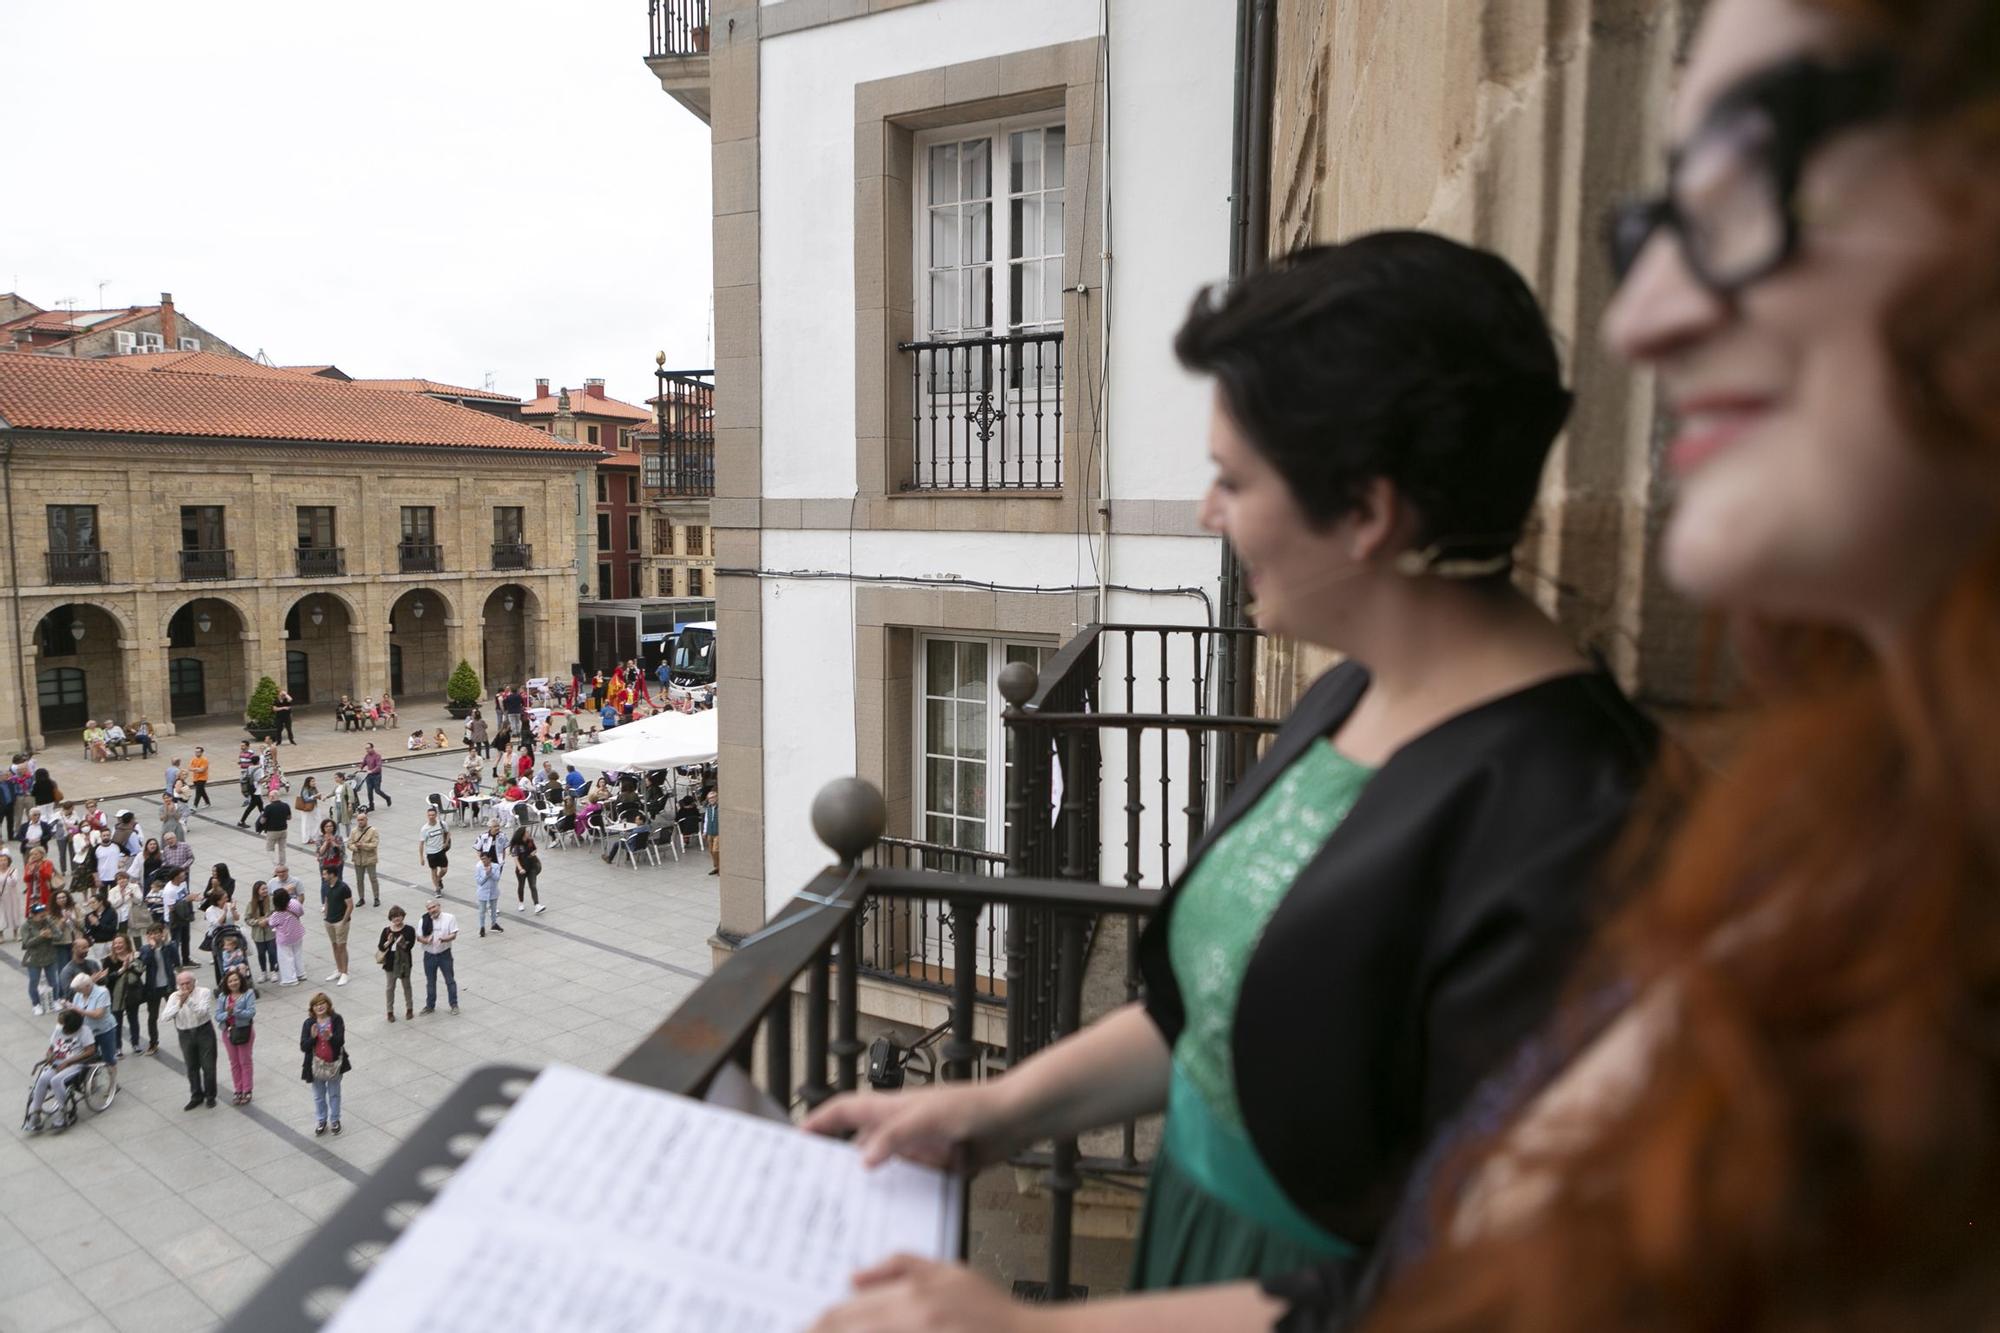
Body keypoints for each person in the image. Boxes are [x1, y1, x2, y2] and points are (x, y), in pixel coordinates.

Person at [806, 233, 1660, 1324]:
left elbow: (1480, 1288)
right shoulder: (1350, 692)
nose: (1209, 513)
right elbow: (1205, 1016)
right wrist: (999, 1108)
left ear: (1366, 511)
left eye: (1231, 479)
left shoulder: (1576, 825)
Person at [24, 1010, 93, 1132]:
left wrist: (68, 1062)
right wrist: (49, 1055)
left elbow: (90, 1050)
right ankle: (35, 1114)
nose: (59, 1024)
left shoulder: (84, 1031)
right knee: (43, 1078)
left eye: (62, 1022)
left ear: (69, 1025)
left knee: (56, 1080)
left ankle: (62, 1114)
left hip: (75, 1064)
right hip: (57, 1063)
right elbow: (51, 1048)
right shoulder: (58, 1030)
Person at [162, 969, 216, 1109]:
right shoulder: (174, 997)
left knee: (208, 1066)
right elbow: (165, 1017)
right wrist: (179, 1004)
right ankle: (196, 1095)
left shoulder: (204, 992)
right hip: (185, 1033)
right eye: (182, 984)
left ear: (194, 982)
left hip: (203, 1030)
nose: (185, 987)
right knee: (191, 1066)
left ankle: (210, 1095)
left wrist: (189, 1001)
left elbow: (202, 1012)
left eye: (188, 983)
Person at [300, 992, 349, 1135]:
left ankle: (335, 1120)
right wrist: (313, 1038)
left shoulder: (336, 1019)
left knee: (334, 1094)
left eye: (322, 1003)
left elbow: (340, 1042)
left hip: (334, 1064)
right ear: (312, 1008)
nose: (320, 1007)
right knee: (318, 1096)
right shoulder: (309, 1023)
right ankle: (321, 1120)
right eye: (316, 1005)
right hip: (315, 1066)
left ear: (328, 1005)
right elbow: (304, 1046)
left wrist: (330, 1037)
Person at [215, 968, 257, 1105]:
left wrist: (235, 1011)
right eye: (230, 981)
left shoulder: (248, 994)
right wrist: (227, 1014)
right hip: (228, 1032)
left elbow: (251, 1013)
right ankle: (238, 1089)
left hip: (244, 1031)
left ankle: (247, 1089)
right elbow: (217, 1016)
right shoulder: (223, 997)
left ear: (240, 981)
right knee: (234, 1062)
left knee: (245, 1060)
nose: (233, 983)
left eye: (236, 980)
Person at [135, 924, 176, 1054]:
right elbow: (143, 964)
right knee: (152, 1016)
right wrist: (152, 948)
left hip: (168, 985)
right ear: (147, 936)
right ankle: (153, 1043)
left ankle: (186, 1035)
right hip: (153, 987)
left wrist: (167, 943)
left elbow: (177, 960)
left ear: (162, 933)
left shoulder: (169, 946)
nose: (154, 936)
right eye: (151, 933)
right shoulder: (145, 949)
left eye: (157, 933)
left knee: (177, 1012)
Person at [417, 899, 459, 1015]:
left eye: (433, 907)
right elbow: (419, 937)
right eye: (429, 908)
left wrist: (444, 939)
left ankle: (454, 1004)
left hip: (444, 954)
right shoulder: (424, 920)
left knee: (450, 980)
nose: (432, 910)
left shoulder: (449, 918)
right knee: (430, 982)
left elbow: (454, 934)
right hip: (429, 955)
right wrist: (425, 940)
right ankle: (430, 1006)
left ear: (439, 906)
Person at [21, 904, 62, 1014]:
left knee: (53, 980)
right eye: (40, 915)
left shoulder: (48, 922)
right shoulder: (26, 926)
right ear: (33, 915)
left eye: (44, 913)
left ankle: (55, 1000)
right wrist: (41, 936)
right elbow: (27, 943)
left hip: (49, 955)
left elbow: (59, 935)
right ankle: (36, 1004)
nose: (43, 916)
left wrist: (51, 936)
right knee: (34, 981)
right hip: (34, 958)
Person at [378, 906, 417, 1022]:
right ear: (391, 918)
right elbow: (381, 946)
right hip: (390, 962)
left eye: (399, 916)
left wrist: (402, 942)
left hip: (404, 962)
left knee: (406, 986)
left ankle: (409, 1009)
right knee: (390, 987)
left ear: (403, 916)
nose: (397, 919)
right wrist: (388, 942)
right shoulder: (386, 930)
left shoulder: (409, 929)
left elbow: (409, 946)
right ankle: (390, 1011)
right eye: (394, 917)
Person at [321, 868, 354, 986]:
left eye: (325, 874)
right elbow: (327, 900)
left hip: (340, 921)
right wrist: (326, 914)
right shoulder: (326, 886)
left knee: (342, 946)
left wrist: (344, 921)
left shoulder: (343, 887)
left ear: (332, 874)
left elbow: (350, 905)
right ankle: (339, 969)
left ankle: (345, 973)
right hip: (329, 921)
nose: (323, 876)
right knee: (334, 946)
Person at [270, 885, 306, 987]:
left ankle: (290, 979)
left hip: (284, 938)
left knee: (286, 958)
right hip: (297, 933)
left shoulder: (276, 914)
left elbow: (271, 924)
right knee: (298, 954)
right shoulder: (294, 903)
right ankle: (301, 973)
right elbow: (301, 912)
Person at [245, 880, 279, 983]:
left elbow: (276, 913)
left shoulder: (272, 900)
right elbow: (247, 918)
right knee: (261, 953)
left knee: (272, 952)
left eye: (266, 888)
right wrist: (257, 922)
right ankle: (263, 972)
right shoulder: (251, 904)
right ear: (257, 891)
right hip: (258, 934)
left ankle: (274, 971)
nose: (265, 891)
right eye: (262, 889)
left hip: (270, 932)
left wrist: (267, 920)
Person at [509, 824, 544, 914]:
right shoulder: (516, 846)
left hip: (532, 866)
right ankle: (521, 903)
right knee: (521, 885)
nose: (529, 833)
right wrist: (520, 868)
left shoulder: (530, 841)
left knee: (533, 885)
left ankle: (537, 905)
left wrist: (533, 852)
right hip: (522, 868)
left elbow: (535, 849)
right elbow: (515, 858)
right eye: (527, 832)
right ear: (523, 834)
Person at [349, 811, 381, 908]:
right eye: (358, 820)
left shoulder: (373, 830)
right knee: (359, 880)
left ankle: (376, 897)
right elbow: (349, 844)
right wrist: (355, 847)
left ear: (366, 820)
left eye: (362, 819)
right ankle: (361, 898)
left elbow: (374, 844)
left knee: (373, 879)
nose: (360, 822)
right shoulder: (354, 831)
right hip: (358, 859)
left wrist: (363, 845)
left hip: (370, 858)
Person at [417, 808, 450, 893]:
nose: (431, 817)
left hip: (440, 850)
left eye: (433, 815)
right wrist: (421, 857)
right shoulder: (424, 829)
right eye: (429, 815)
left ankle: (438, 879)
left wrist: (446, 842)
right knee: (433, 870)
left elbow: (448, 833)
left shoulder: (442, 824)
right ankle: (437, 888)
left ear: (436, 815)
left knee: (444, 869)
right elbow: (421, 843)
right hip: (431, 852)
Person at [473, 849, 503, 938]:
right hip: (482, 892)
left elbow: (497, 878)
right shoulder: (479, 867)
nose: (483, 861)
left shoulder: (496, 866)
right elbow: (479, 882)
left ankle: (494, 924)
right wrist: (487, 874)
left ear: (490, 859)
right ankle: (482, 927)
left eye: (485, 859)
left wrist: (491, 873)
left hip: (493, 891)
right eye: (482, 859)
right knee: (482, 911)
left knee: (494, 910)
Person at [255, 791, 291, 861]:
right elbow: (289, 817)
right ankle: (282, 863)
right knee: (282, 849)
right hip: (283, 830)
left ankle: (275, 864)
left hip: (272, 831)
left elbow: (262, 821)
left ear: (271, 797)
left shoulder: (268, 807)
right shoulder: (286, 805)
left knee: (270, 849)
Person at [359, 742, 390, 810]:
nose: (367, 750)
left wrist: (372, 770)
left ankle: (387, 798)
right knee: (369, 791)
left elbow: (378, 766)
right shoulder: (367, 756)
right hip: (369, 776)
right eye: (366, 749)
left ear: (372, 748)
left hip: (376, 776)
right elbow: (364, 763)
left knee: (377, 790)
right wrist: (360, 767)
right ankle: (371, 806)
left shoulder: (377, 756)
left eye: (368, 748)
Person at [236, 757, 265, 828]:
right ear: (258, 761)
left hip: (251, 788)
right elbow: (259, 780)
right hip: (256, 790)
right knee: (251, 807)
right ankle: (241, 821)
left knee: (260, 806)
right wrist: (267, 780)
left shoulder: (249, 767)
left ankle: (265, 819)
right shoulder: (260, 769)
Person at [0, 849, 20, 943]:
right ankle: (1, 935)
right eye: (1, 860)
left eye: (5, 860)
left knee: (13, 913)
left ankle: (16, 933)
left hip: (12, 896)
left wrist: (11, 877)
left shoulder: (13, 870)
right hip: (1, 896)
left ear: (8, 861)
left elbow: (14, 882)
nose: (3, 862)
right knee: (1, 915)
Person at [702, 786, 720, 876]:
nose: (711, 800)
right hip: (710, 832)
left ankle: (721, 867)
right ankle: (716, 866)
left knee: (715, 850)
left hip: (718, 832)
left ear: (716, 798)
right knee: (711, 850)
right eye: (709, 798)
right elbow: (706, 820)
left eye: (713, 798)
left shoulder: (719, 808)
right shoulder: (708, 808)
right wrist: (705, 831)